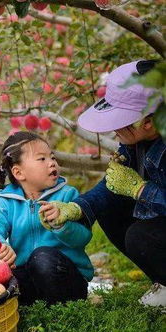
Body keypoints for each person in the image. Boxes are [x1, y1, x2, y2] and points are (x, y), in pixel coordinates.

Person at [39, 60, 165, 308]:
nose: (114, 130)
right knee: (110, 210)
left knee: (141, 237)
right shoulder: (134, 142)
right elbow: (113, 186)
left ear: (147, 122)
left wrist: (141, 190)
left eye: (120, 121)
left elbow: (134, 187)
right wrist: (76, 208)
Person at [0, 131, 93, 305]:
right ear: (19, 172)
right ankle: (31, 305)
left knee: (42, 258)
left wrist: (61, 225)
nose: (52, 162)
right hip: (29, 278)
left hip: (65, 279)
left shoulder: (67, 195)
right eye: (42, 159)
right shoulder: (7, 203)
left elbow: (83, 237)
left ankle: (59, 308)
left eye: (52, 157)